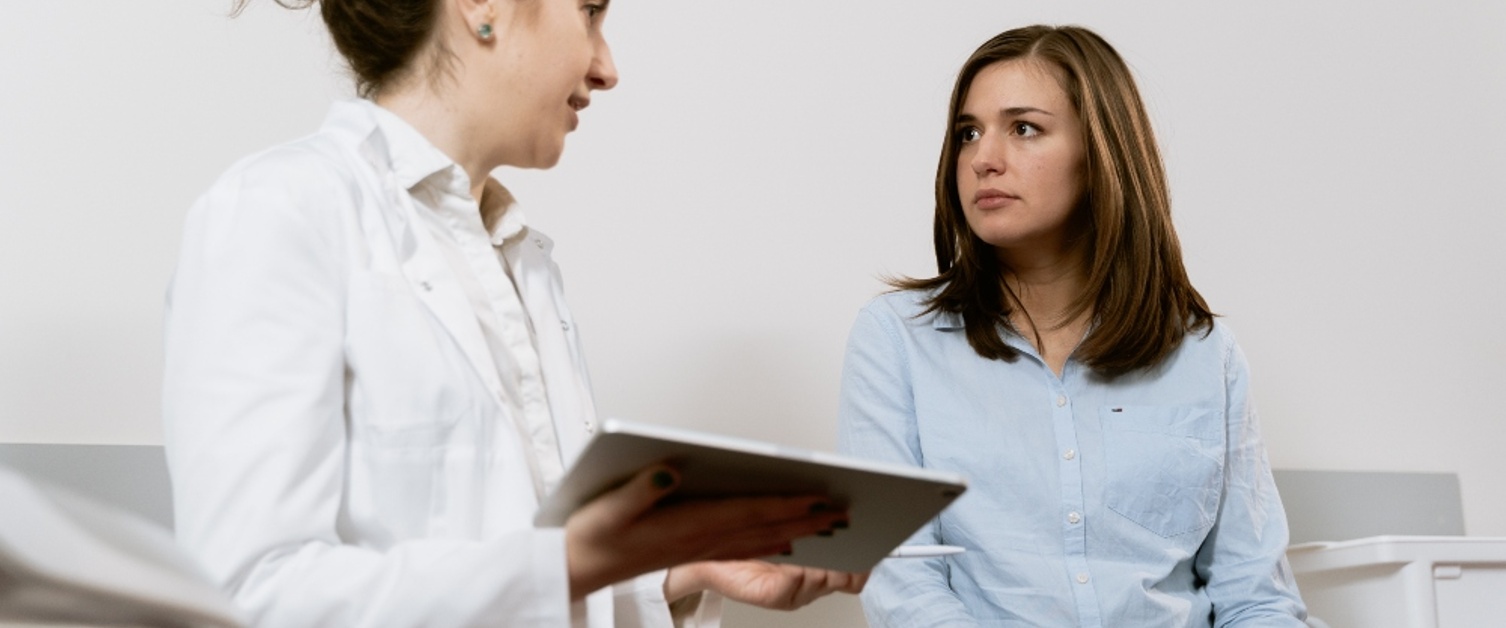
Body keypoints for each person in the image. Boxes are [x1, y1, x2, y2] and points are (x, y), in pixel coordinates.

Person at [162, 0, 865, 625]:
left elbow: (522, 562)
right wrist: (564, 561)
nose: (606, 67)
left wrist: (681, 568)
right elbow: (250, 594)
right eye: (590, 12)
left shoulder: (523, 261)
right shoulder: (276, 212)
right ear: (482, 6)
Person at [836, 24, 1307, 626]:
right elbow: (903, 583)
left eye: (1024, 128)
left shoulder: (1204, 354)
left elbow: (1255, 597)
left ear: (1101, 152)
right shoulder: (896, 339)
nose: (983, 158)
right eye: (968, 133)